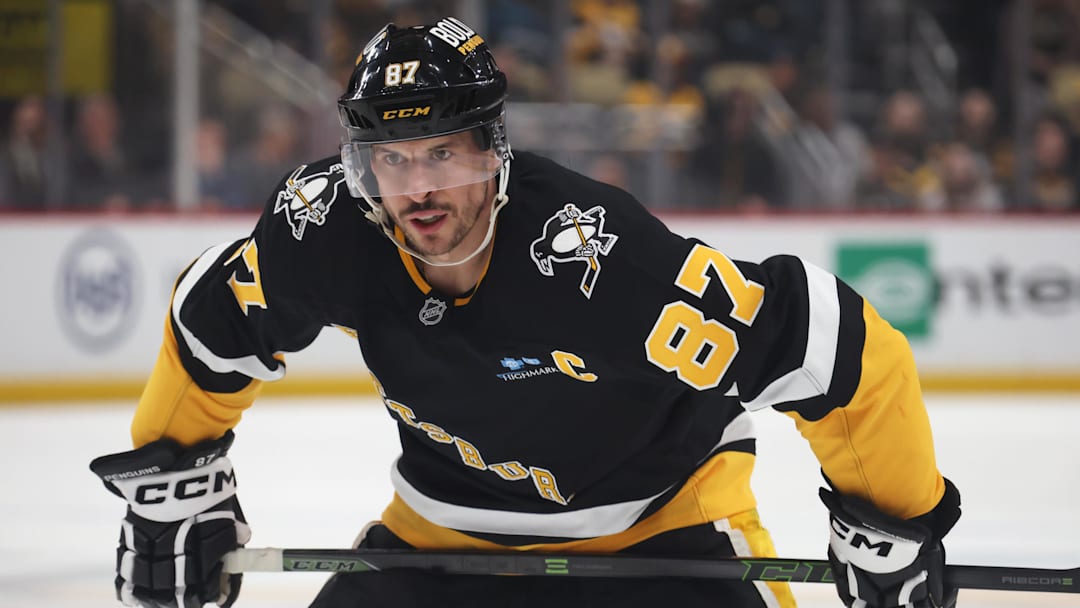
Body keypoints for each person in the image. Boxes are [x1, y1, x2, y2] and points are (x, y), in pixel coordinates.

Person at [89, 17, 961, 608]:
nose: (421, 188)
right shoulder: (326, 231)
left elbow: (839, 350)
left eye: (444, 153)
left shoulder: (598, 257)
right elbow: (212, 320)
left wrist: (895, 518)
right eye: (392, 159)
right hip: (439, 539)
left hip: (662, 535)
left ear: (494, 151)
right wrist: (177, 482)